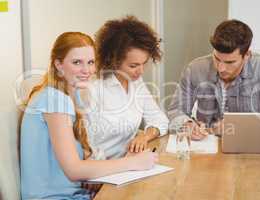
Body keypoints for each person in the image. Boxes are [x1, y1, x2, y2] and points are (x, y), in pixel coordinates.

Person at [20, 32, 158, 200]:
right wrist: (133, 163)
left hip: (79, 194)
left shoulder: (73, 96)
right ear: (59, 65)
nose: (87, 70)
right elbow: (74, 170)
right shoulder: (54, 99)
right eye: (77, 62)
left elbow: (81, 161)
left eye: (91, 62)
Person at [167, 19, 260, 141]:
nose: (221, 68)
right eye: (217, 59)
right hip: (207, 146)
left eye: (230, 62)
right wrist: (187, 125)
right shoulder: (195, 69)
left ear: (247, 56)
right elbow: (175, 111)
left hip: (249, 144)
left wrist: (238, 127)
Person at [84, 16, 169, 159]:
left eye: (144, 63)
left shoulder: (136, 82)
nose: (141, 71)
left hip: (127, 163)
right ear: (113, 61)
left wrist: (144, 137)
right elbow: (85, 145)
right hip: (100, 171)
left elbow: (160, 120)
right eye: (133, 66)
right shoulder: (93, 88)